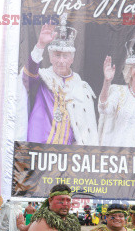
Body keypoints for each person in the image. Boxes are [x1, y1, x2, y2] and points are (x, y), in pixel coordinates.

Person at [21, 14, 98, 146]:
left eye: (65, 56)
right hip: (39, 146)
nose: (61, 61)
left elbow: (85, 127)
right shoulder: (43, 77)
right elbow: (27, 78)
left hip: (66, 153)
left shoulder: (81, 87)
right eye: (57, 55)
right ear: (50, 57)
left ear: (72, 59)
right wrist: (40, 45)